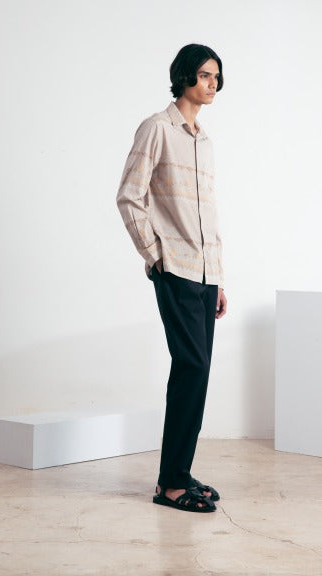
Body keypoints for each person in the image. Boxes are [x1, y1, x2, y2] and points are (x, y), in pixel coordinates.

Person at [116, 43, 227, 513]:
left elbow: (207, 215)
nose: (212, 84)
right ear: (183, 77)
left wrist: (218, 277)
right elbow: (129, 196)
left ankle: (178, 472)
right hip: (175, 269)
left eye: (216, 77)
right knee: (191, 368)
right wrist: (155, 254)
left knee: (197, 375)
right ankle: (170, 485)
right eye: (204, 75)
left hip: (204, 274)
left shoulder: (204, 140)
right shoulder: (157, 129)